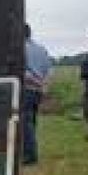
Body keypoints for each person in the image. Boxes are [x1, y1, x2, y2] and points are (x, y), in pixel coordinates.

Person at [23, 24, 52, 165]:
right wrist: (43, 86)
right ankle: (29, 151)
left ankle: (30, 155)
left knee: (25, 123)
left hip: (27, 88)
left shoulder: (20, 49)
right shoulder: (42, 49)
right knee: (32, 121)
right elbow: (48, 70)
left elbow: (23, 72)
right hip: (38, 92)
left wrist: (36, 83)